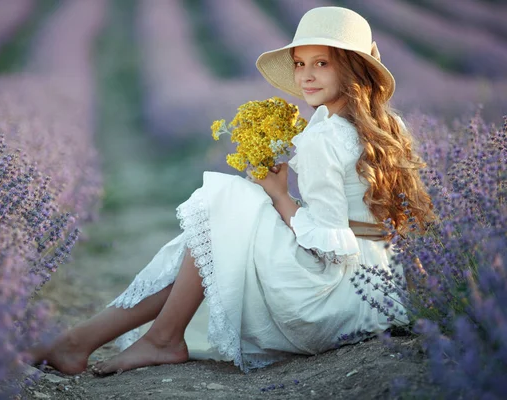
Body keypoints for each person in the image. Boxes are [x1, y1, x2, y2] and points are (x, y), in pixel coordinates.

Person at [29, 6, 434, 376]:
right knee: (221, 228)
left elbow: (331, 245)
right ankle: (93, 341)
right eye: (300, 64)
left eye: (322, 64)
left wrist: (278, 196)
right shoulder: (388, 128)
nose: (306, 75)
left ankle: (146, 338)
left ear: (353, 70)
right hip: (380, 295)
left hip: (334, 300)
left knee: (228, 203)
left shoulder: (322, 138)